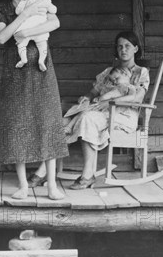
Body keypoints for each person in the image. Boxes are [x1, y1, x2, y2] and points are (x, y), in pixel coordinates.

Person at [28, 31, 149, 190]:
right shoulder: (108, 72)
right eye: (120, 47)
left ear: (135, 48)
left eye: (127, 46)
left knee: (88, 118)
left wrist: (110, 103)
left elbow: (137, 98)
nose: (123, 50)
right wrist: (85, 97)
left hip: (123, 115)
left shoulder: (141, 72)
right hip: (99, 111)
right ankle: (43, 171)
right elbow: (93, 93)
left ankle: (87, 175)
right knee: (62, 122)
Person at [0, 0, 68, 200]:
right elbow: (2, 37)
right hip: (15, 73)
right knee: (17, 123)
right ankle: (23, 185)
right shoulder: (3, 9)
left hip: (42, 71)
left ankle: (52, 186)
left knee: (48, 120)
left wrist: (25, 32)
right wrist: (23, 18)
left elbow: (55, 22)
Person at [14, 0, 57, 71]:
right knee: (42, 46)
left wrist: (23, 5)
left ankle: (23, 59)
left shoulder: (26, 2)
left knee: (21, 44)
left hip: (26, 27)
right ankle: (41, 60)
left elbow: (17, 11)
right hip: (39, 29)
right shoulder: (45, 1)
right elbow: (54, 10)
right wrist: (49, 2)